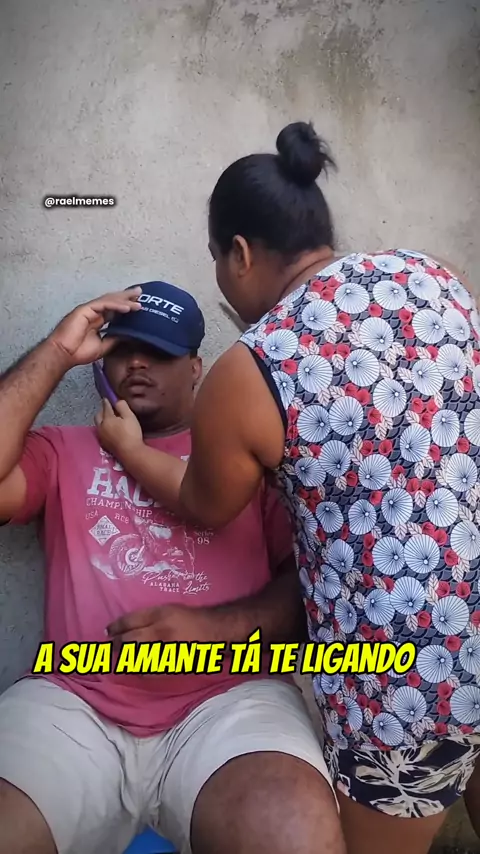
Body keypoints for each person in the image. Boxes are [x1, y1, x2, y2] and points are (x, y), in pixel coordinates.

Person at [96, 122, 480, 854]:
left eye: (217, 261)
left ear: (239, 254)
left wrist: (129, 450)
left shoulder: (256, 364)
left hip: (403, 681)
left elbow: (206, 502)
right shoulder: (436, 276)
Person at [0, 281, 344, 854]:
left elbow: (306, 589)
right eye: (122, 350)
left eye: (158, 353)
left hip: (228, 700)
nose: (137, 363)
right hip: (75, 702)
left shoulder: (241, 462)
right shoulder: (61, 450)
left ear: (195, 369)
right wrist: (57, 351)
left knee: (292, 830)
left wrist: (216, 630)